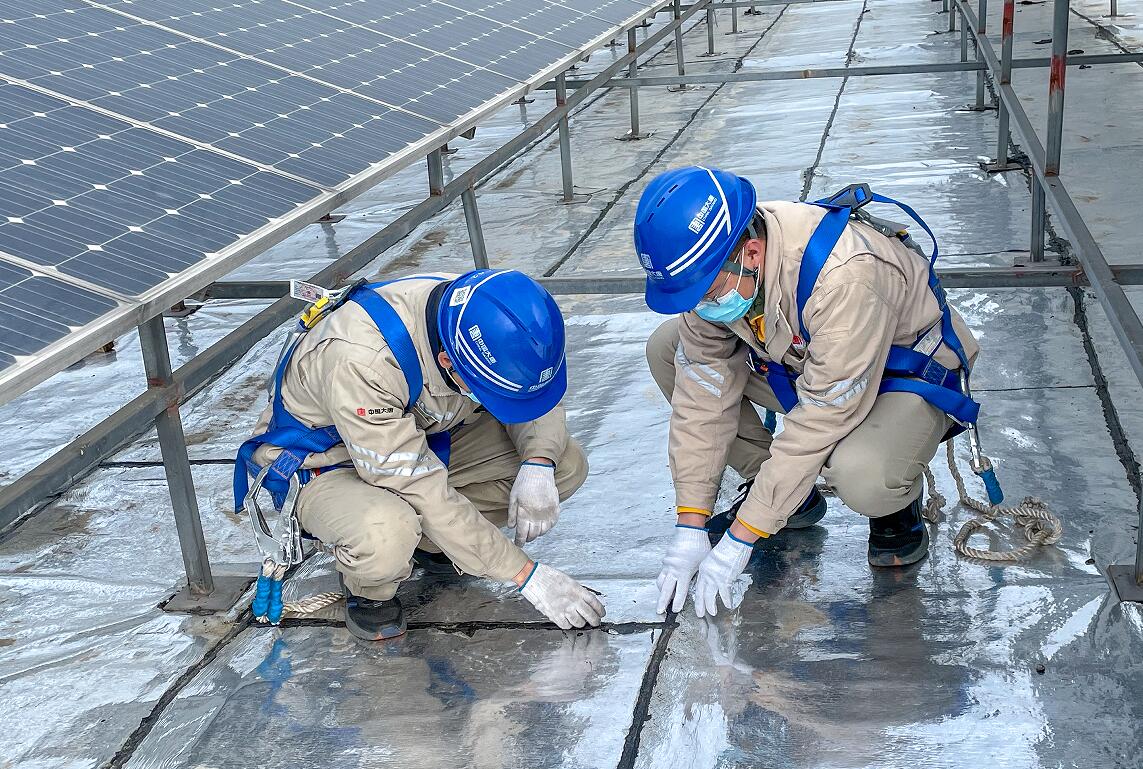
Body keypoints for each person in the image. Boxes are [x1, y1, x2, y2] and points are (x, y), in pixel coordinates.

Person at [634, 167, 981, 618]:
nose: (701, 306)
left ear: (752, 253)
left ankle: (895, 506)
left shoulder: (844, 276)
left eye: (708, 293)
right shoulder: (716, 265)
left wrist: (742, 536)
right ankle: (783, 493)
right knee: (669, 350)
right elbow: (703, 397)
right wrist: (690, 524)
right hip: (814, 364)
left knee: (862, 474)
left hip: (902, 376)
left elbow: (821, 415)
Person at [235, 269, 605, 640]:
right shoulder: (361, 361)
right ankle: (368, 588)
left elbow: (532, 396)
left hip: (418, 440)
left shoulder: (478, 307)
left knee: (564, 465)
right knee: (386, 532)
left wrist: (538, 461)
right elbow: (419, 487)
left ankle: (432, 544)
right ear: (447, 363)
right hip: (329, 464)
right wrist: (525, 575)